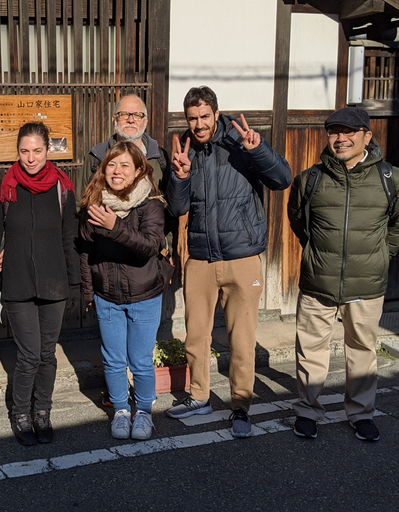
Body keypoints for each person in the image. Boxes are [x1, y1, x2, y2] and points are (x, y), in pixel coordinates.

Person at [165, 86, 291, 437]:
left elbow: (282, 179)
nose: (199, 124)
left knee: (241, 337)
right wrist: (180, 175)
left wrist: (259, 149)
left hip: (243, 256)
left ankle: (240, 406)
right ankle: (199, 396)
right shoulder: (187, 152)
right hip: (201, 258)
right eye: (192, 118)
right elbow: (176, 209)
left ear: (216, 115)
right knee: (196, 336)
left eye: (205, 116)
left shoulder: (240, 143)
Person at [288, 107, 399, 442]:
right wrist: (316, 252)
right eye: (334, 131)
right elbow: (299, 221)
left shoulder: (389, 179)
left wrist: (382, 255)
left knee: (363, 349)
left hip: (367, 282)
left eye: (349, 131)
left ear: (367, 135)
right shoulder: (311, 178)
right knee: (310, 347)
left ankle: (361, 413)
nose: (341, 138)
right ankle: (308, 410)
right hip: (318, 280)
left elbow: (396, 227)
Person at [0, 121, 80, 446]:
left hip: (54, 285)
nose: (30, 157)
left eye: (37, 150)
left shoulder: (62, 189)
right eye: (24, 151)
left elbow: (70, 239)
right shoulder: (5, 188)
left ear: (47, 150)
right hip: (17, 284)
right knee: (28, 356)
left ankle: (43, 411)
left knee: (47, 354)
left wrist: (76, 285)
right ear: (17, 152)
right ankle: (21, 413)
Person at [79, 141, 167, 440]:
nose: (117, 171)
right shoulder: (94, 199)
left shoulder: (150, 203)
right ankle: (120, 410)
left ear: (139, 169)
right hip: (107, 296)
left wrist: (115, 225)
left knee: (140, 358)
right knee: (113, 358)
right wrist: (89, 291)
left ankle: (143, 411)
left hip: (144, 295)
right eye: (112, 164)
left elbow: (150, 246)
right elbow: (85, 251)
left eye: (124, 165)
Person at [80, 94, 171, 199]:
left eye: (137, 115)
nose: (131, 120)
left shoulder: (160, 158)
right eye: (123, 114)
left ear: (145, 122)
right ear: (114, 120)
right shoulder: (96, 157)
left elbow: (169, 205)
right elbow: (81, 202)